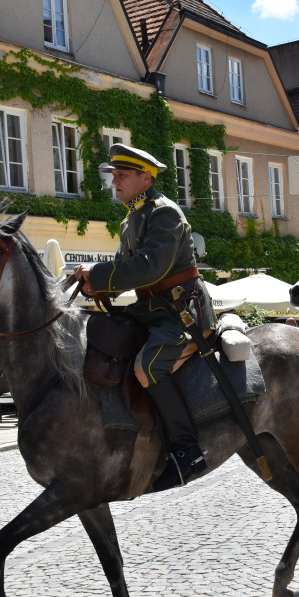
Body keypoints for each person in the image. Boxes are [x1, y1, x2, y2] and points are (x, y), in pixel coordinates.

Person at [75, 143, 215, 491]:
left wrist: (101, 273)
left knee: (148, 366)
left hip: (178, 311)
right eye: (114, 175)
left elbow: (150, 268)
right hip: (150, 309)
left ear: (145, 177)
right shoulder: (132, 217)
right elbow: (128, 270)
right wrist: (96, 285)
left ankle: (187, 451)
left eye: (121, 175)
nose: (114, 182)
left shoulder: (164, 213)